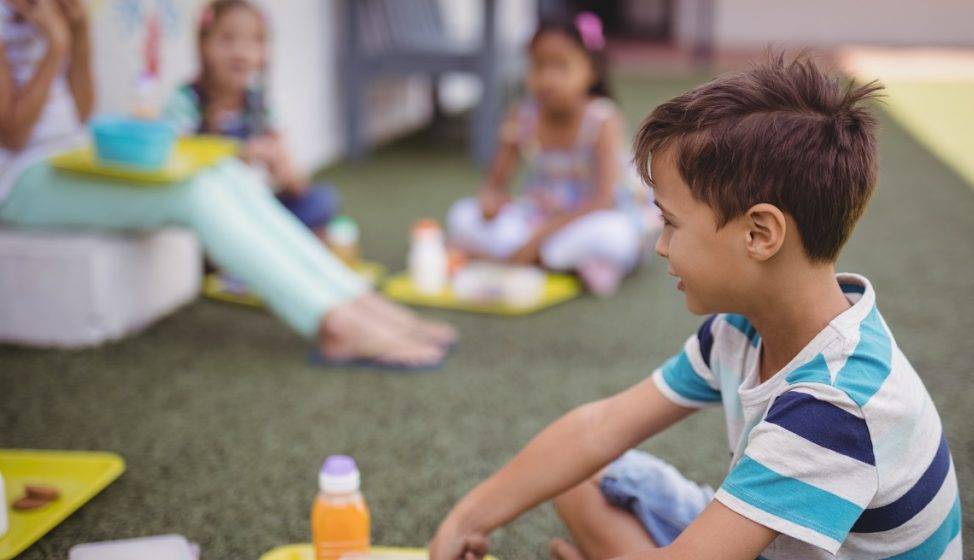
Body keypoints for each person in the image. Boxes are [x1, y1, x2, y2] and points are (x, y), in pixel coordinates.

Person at [429, 55, 961, 560]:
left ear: (760, 233)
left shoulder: (836, 401)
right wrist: (472, 515)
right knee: (583, 475)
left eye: (671, 222)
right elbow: (600, 428)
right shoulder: (743, 325)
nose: (658, 245)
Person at [0, 0, 454, 368]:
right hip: (21, 181)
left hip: (69, 158)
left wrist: (75, 32)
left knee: (225, 171)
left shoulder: (47, 12)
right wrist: (57, 45)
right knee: (194, 192)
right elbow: (14, 133)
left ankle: (356, 300)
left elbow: (80, 114)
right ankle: (333, 323)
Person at [446, 13, 651, 297]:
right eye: (538, 66)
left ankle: (523, 258)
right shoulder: (522, 116)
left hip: (592, 218)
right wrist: (489, 203)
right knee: (462, 215)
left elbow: (604, 200)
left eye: (560, 66)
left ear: (591, 70)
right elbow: (495, 184)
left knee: (615, 237)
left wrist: (536, 240)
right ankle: (561, 263)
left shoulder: (602, 119)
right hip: (538, 217)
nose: (547, 78)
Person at [164, 0, 340, 234]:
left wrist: (287, 173)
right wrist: (239, 153)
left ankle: (267, 241)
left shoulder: (258, 104)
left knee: (323, 200)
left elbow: (294, 182)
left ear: (264, 53)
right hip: (211, 214)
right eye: (227, 39)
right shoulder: (187, 100)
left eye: (254, 41)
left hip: (254, 208)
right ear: (204, 45)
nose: (240, 52)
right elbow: (173, 158)